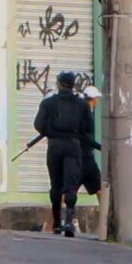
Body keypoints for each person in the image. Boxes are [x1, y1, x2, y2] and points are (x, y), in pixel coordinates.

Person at [34, 72, 94, 238]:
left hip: (54, 146)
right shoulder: (82, 105)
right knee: (71, 184)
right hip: (73, 146)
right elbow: (89, 128)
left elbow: (38, 124)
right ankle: (69, 221)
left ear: (59, 84)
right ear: (73, 84)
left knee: (56, 184)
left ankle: (56, 223)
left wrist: (50, 132)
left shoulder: (48, 103)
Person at [78, 86, 103, 203]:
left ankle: (50, 222)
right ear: (93, 99)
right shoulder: (85, 114)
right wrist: (100, 147)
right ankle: (107, 217)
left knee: (66, 191)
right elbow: (85, 137)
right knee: (100, 189)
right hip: (86, 158)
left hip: (77, 158)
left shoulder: (81, 111)